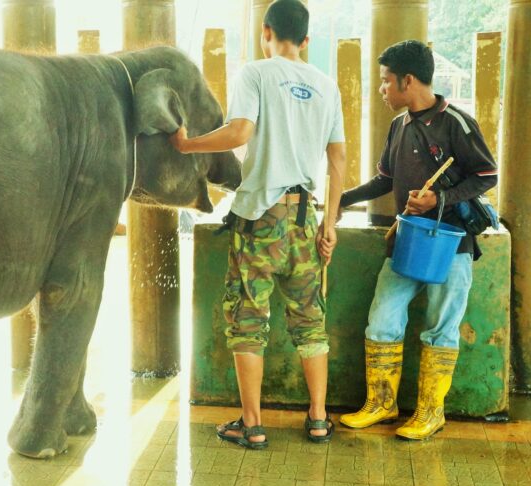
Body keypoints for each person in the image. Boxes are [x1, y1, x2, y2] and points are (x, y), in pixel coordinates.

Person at [170, 0, 345, 448]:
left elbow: (239, 133)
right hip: (306, 218)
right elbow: (338, 159)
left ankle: (252, 426)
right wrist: (330, 224)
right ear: (306, 40)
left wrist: (187, 145)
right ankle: (319, 418)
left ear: (265, 32)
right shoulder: (327, 85)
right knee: (310, 320)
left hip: (260, 219)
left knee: (248, 320)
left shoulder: (256, 73)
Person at [338, 40, 498, 440]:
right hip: (407, 242)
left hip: (451, 245)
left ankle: (431, 412)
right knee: (382, 319)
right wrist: (342, 199)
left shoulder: (456, 123)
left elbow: (486, 175)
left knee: (442, 328)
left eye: (385, 81)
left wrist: (439, 199)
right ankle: (381, 404)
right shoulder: (399, 126)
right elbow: (385, 179)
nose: (382, 89)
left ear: (407, 80)